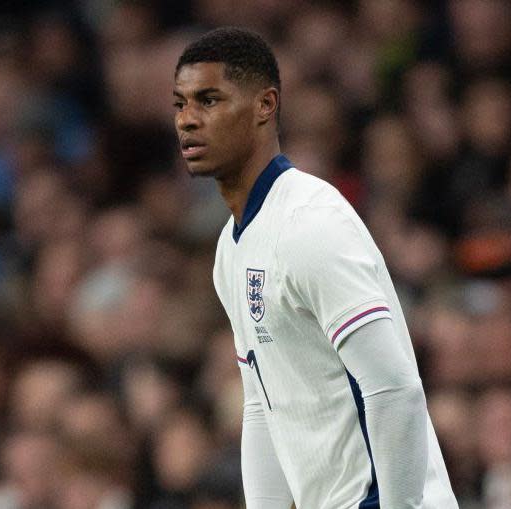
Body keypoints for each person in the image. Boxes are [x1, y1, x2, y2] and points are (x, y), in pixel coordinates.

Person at [172, 28, 458, 509]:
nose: (187, 121)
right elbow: (263, 406)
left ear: (266, 105)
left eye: (209, 100)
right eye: (180, 104)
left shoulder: (311, 224)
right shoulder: (231, 249)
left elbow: (395, 388)